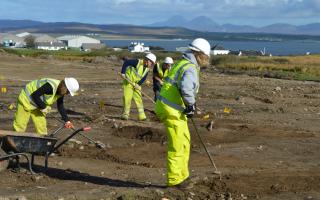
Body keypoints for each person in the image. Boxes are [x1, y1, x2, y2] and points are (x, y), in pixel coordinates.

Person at [155, 38, 211, 189]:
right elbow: (186, 88)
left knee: (184, 142)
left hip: (172, 108)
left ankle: (183, 176)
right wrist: (191, 105)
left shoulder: (182, 63)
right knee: (178, 145)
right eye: (206, 56)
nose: (207, 60)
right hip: (171, 109)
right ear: (200, 54)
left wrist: (188, 106)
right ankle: (174, 181)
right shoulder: (190, 67)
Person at [13, 77, 80, 135]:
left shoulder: (61, 91)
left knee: (41, 125)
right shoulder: (50, 87)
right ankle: (15, 140)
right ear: (65, 87)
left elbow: (60, 105)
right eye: (68, 92)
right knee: (20, 123)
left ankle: (42, 141)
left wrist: (67, 120)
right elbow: (35, 95)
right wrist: (44, 107)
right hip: (26, 99)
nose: (67, 94)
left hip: (38, 103)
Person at [120, 53, 156, 121]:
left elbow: (143, 78)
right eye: (151, 62)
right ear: (147, 60)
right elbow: (126, 62)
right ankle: (125, 114)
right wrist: (123, 72)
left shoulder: (147, 69)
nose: (151, 64)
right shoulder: (137, 62)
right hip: (129, 82)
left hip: (137, 84)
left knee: (139, 99)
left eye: (152, 63)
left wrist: (138, 84)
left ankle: (142, 116)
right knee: (127, 98)